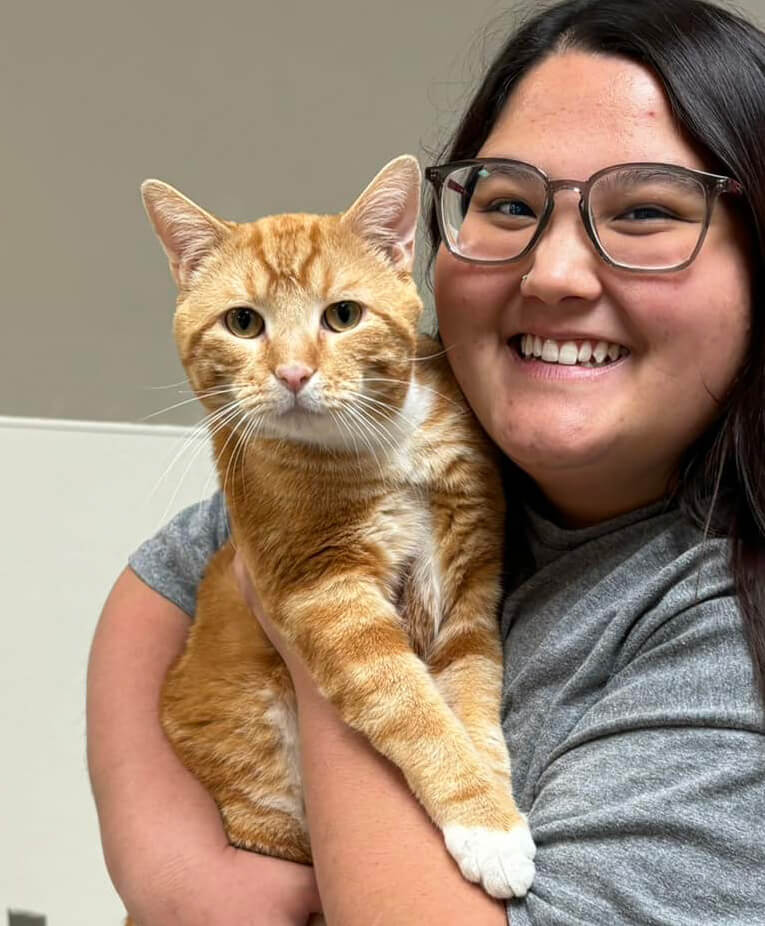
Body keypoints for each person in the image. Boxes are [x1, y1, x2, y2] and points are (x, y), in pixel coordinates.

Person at [87, 0, 765, 922]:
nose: (555, 274)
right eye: (509, 204)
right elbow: (159, 583)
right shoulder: (370, 414)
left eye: (645, 211)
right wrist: (181, 884)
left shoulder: (721, 631)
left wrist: (305, 621)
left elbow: (270, 582)